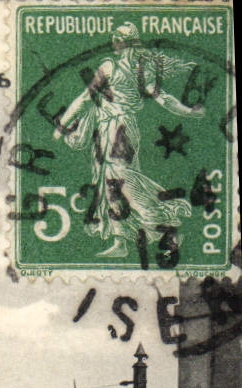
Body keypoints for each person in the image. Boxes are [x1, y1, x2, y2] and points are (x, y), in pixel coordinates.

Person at [52, 23, 203, 258]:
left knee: (122, 181)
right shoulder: (117, 66)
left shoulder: (126, 69)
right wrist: (64, 123)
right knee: (109, 184)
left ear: (129, 42)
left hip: (120, 130)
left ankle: (167, 223)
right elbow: (86, 97)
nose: (113, 41)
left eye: (118, 37)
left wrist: (187, 111)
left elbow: (162, 98)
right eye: (114, 37)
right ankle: (121, 241)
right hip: (106, 129)